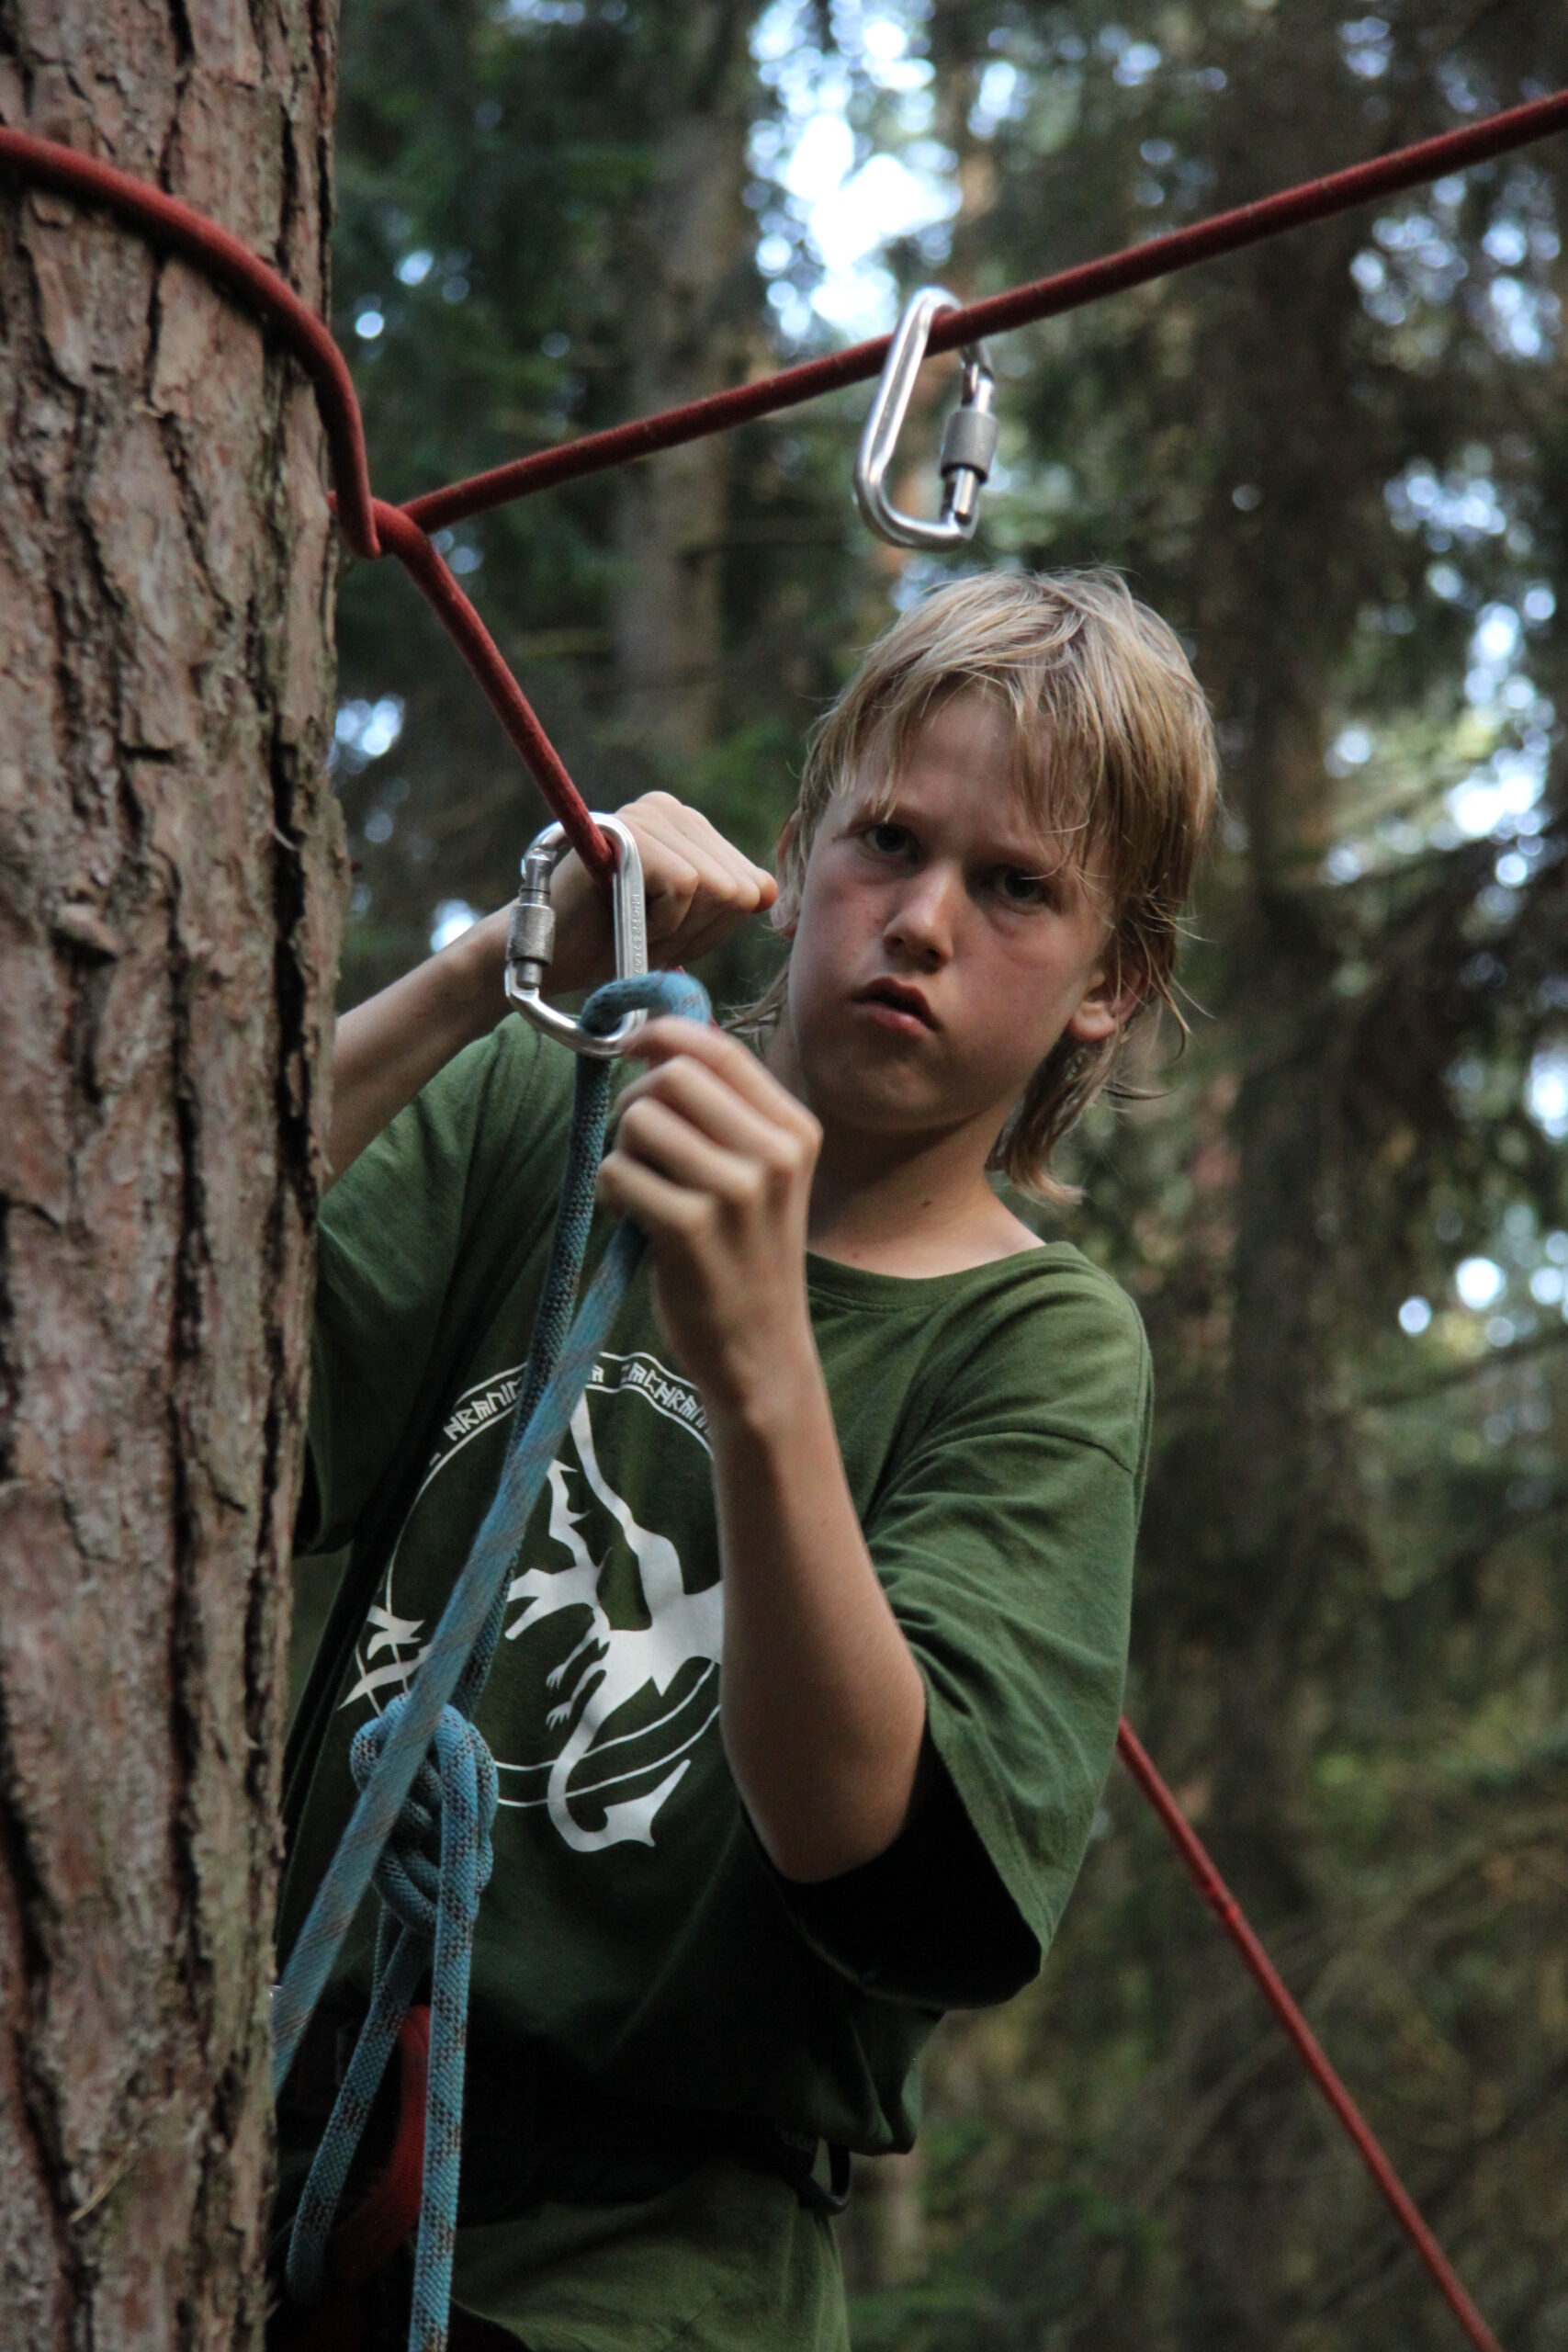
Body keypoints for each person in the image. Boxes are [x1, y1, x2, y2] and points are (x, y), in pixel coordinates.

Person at [275, 571, 1218, 2350]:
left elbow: (868, 1842)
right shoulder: (548, 1104)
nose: (920, 920)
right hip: (269, 2163)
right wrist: (489, 973)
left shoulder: (1036, 1345)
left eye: (1015, 887)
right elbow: (174, 1353)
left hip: (642, 2277)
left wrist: (762, 1364)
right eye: (888, 840)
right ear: (799, 845)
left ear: (1114, 981)